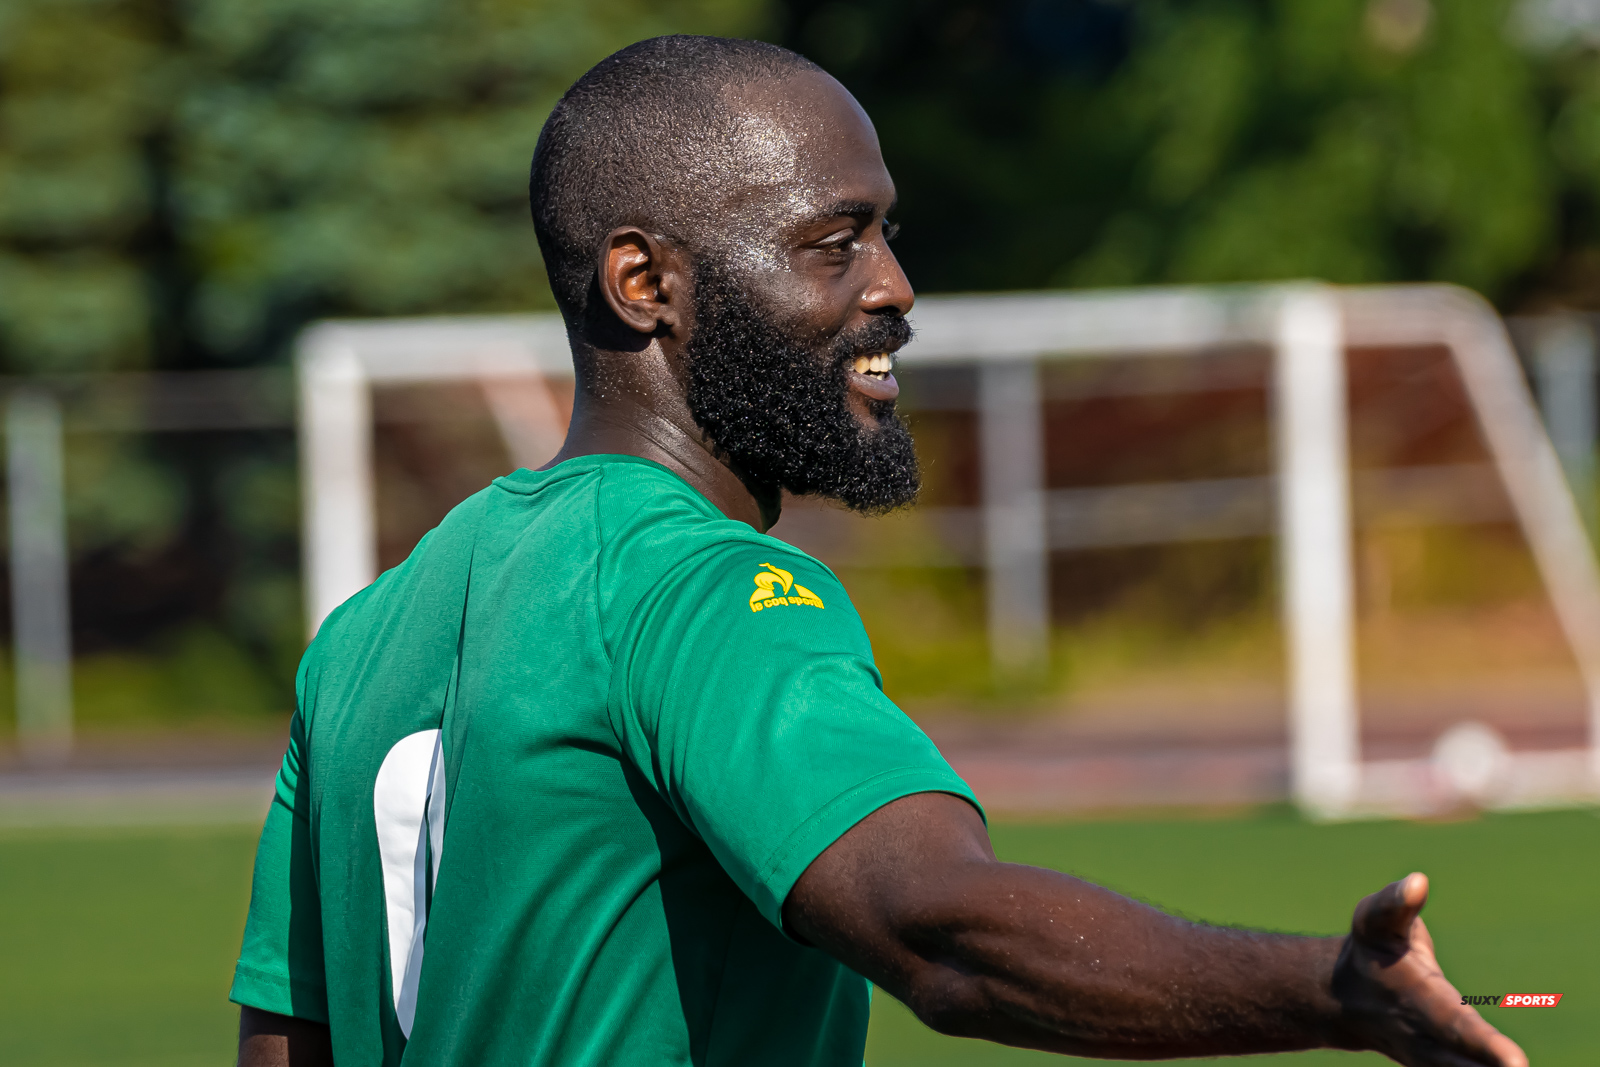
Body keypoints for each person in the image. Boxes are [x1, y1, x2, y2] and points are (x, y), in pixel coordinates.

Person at [232, 35, 1527, 1067]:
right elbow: (940, 930)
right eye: (831, 241)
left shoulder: (368, 636)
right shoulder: (707, 593)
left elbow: (286, 1048)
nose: (894, 287)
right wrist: (1331, 988)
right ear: (646, 286)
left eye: (886, 232)